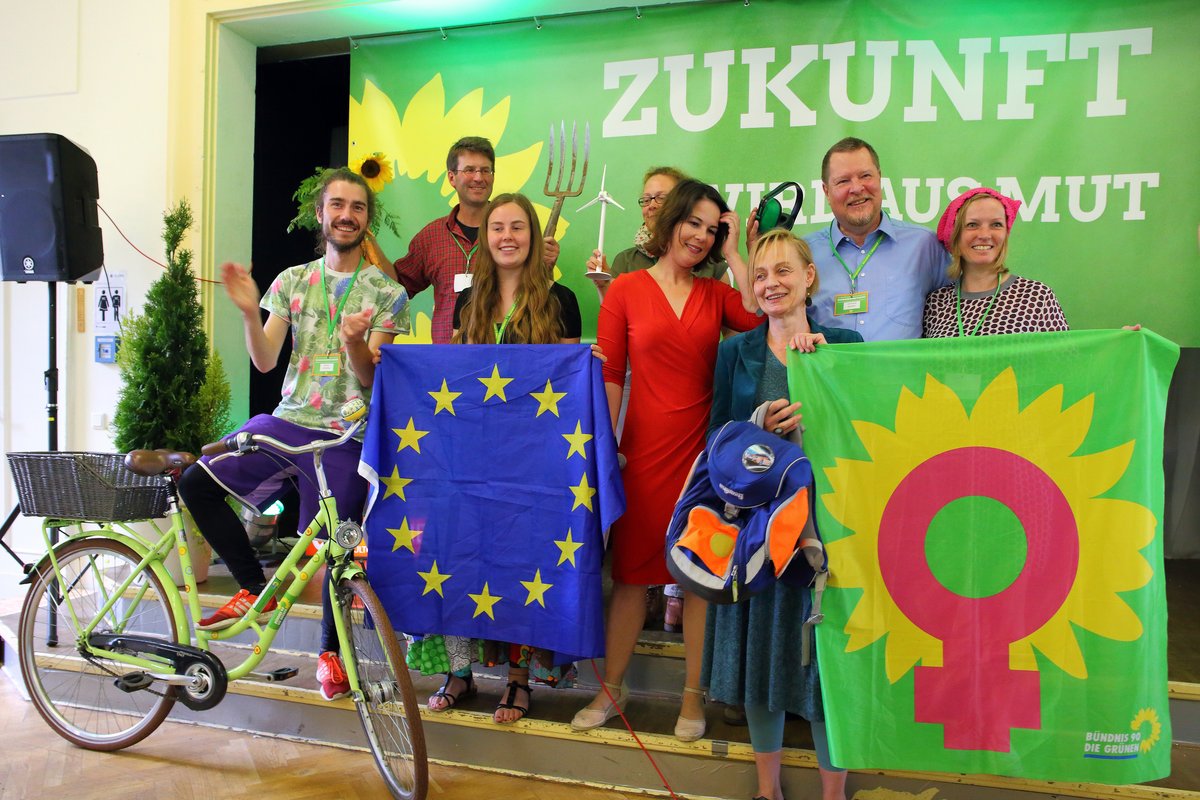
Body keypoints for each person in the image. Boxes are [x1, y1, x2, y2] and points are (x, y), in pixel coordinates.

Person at [179, 168, 410, 701]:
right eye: (338, 205)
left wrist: (354, 343)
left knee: (335, 550)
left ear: (367, 219)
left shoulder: (388, 293)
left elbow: (372, 378)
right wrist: (247, 313)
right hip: (286, 422)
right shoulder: (291, 280)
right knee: (195, 482)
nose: (346, 215)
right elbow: (264, 361)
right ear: (320, 214)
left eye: (357, 207)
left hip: (346, 434)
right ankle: (250, 586)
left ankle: (332, 655)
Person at [573, 179, 762, 740]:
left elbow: (758, 316)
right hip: (639, 453)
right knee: (631, 578)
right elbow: (611, 373)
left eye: (712, 229)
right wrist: (607, 447)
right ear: (671, 220)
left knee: (699, 578)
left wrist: (736, 252)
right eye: (693, 223)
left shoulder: (716, 294)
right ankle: (612, 689)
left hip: (701, 459)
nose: (700, 236)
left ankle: (692, 698)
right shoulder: (627, 289)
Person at [411, 192, 583, 725]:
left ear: (534, 236)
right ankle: (458, 672)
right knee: (458, 556)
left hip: (534, 458)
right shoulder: (469, 301)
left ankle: (517, 680)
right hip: (470, 454)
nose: (507, 237)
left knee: (522, 564)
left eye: (517, 227)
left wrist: (585, 362)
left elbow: (570, 387)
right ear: (484, 240)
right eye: (497, 228)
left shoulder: (561, 300)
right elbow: (455, 375)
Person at [703, 228, 861, 800]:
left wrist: (828, 377)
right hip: (756, 532)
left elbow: (865, 432)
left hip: (827, 531)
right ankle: (767, 791)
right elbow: (717, 443)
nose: (771, 283)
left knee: (825, 671)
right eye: (761, 274)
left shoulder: (844, 344)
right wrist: (757, 430)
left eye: (783, 271)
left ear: (809, 277)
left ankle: (833, 794)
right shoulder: (735, 352)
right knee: (760, 664)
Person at [368, 136, 559, 343]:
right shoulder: (431, 237)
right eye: (469, 170)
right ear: (452, 178)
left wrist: (545, 267)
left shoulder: (514, 239)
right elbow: (397, 287)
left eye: (485, 170)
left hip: (505, 356)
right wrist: (368, 241)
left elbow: (539, 298)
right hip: (447, 359)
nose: (478, 177)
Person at [790, 137, 949, 341]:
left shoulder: (924, 245)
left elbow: (962, 305)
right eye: (843, 181)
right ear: (826, 191)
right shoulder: (803, 253)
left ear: (879, 178)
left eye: (865, 176)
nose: (857, 188)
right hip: (830, 364)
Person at [923, 187, 1068, 336]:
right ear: (955, 236)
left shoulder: (1036, 296)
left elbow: (1063, 351)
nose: (985, 235)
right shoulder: (936, 303)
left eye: (996, 225)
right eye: (972, 225)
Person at [587, 166, 729, 299]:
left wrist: (732, 255)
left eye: (661, 198)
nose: (652, 205)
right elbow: (616, 311)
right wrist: (605, 286)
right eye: (646, 199)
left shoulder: (711, 265)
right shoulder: (625, 261)